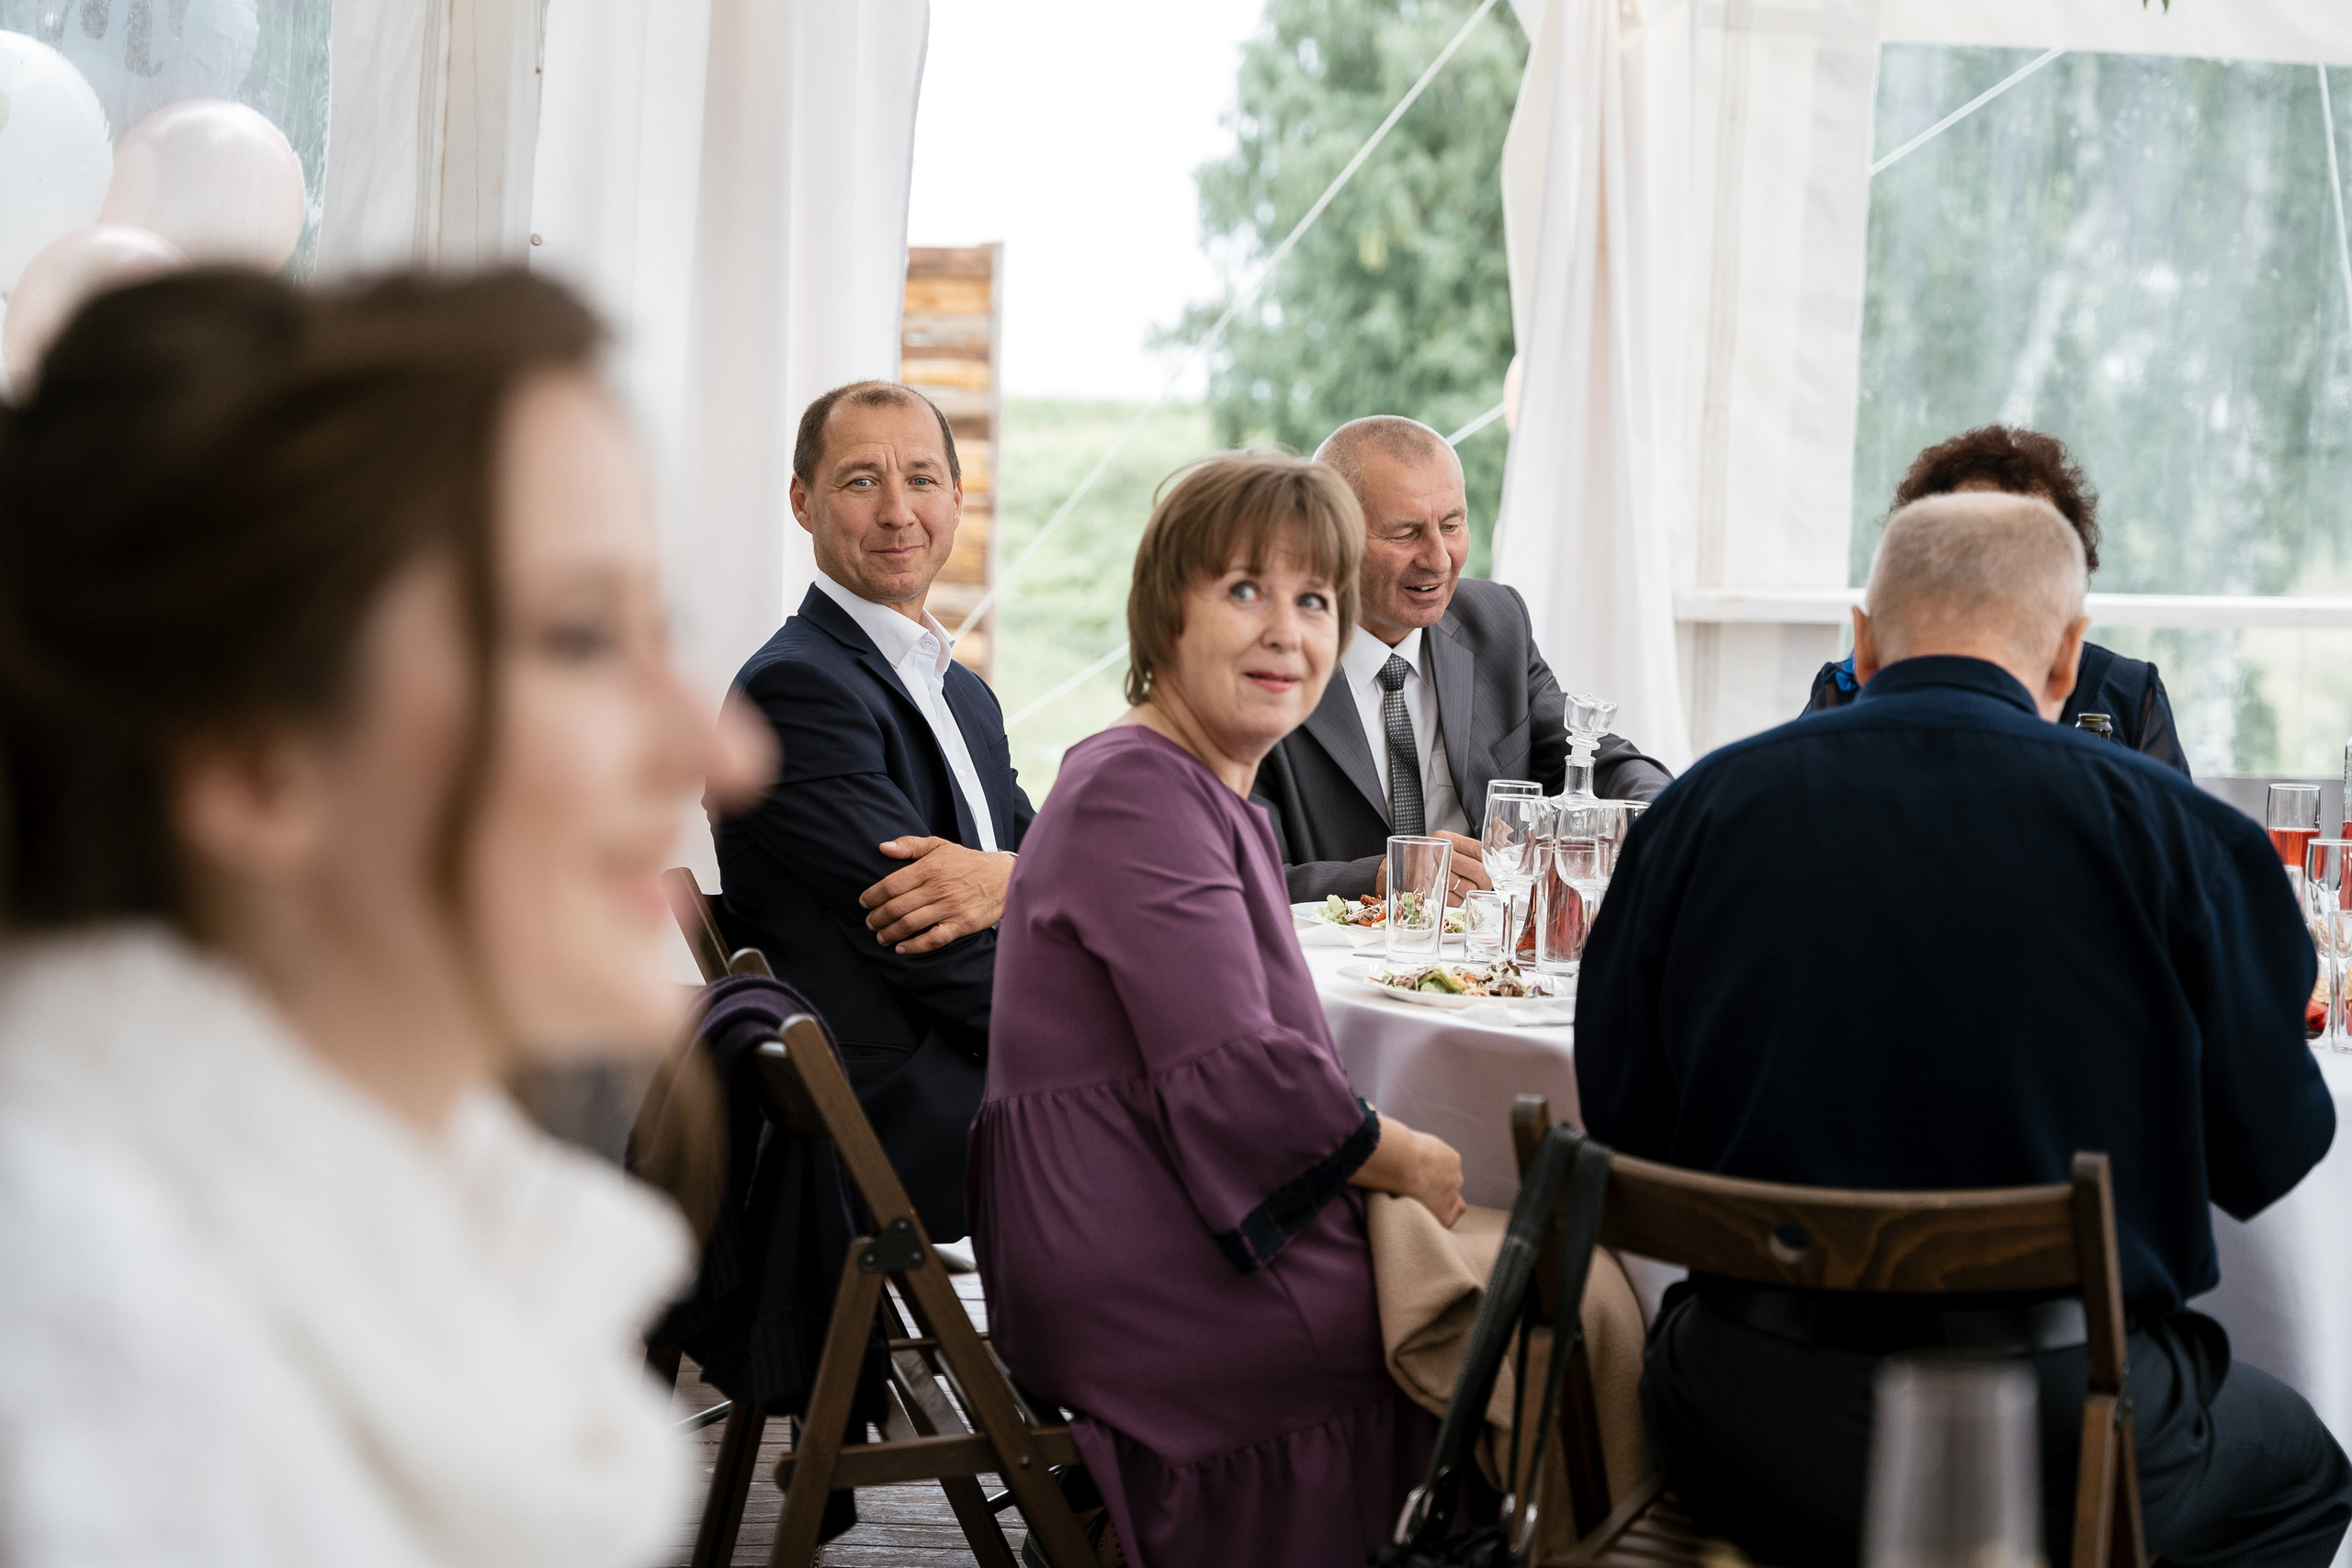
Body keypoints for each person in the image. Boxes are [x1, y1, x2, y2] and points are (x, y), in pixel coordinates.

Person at [0, 270, 767, 1566]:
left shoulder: (450, 1250)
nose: (721, 747)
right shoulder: (88, 1365)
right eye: (579, 637)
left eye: (663, 625)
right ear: (254, 761)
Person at [1577, 491, 2349, 1568]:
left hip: (1750, 1415)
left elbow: (1627, 1127)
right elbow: (2269, 1155)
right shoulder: (2188, 838)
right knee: (2301, 1476)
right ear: (2070, 655)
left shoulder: (1696, 812)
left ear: (1862, 636)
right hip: (2062, 1427)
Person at [972, 452, 1470, 1567]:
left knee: (1489, 1291)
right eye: (1244, 590)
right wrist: (1409, 1158)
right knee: (1471, 1330)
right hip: (1128, 1247)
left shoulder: (1206, 791)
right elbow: (1240, 1070)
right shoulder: (1138, 791)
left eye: (1314, 600)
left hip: (1154, 1201)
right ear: (1165, 613)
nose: (1284, 632)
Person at [717, 380, 1028, 1246]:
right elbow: (940, 951)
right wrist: (1115, 1030)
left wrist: (1009, 873)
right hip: (896, 1120)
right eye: (861, 481)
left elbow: (1066, 857)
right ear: (802, 501)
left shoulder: (962, 695)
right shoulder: (797, 691)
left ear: (959, 500)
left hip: (968, 1077)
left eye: (923, 480)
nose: (898, 512)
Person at [1251, 415, 1670, 903]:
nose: (1439, 558)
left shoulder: (1496, 622)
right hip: (1336, 966)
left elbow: (1598, 760)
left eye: (1451, 525)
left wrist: (1666, 819)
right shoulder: (1270, 665)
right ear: (1325, 539)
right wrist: (1386, 878)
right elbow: (1247, 878)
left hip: (1491, 959)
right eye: (1406, 533)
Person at [1806, 424, 2189, 774]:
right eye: (1968, 543)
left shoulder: (2128, 691)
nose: (1994, 566)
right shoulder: (1841, 689)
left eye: (2027, 544)